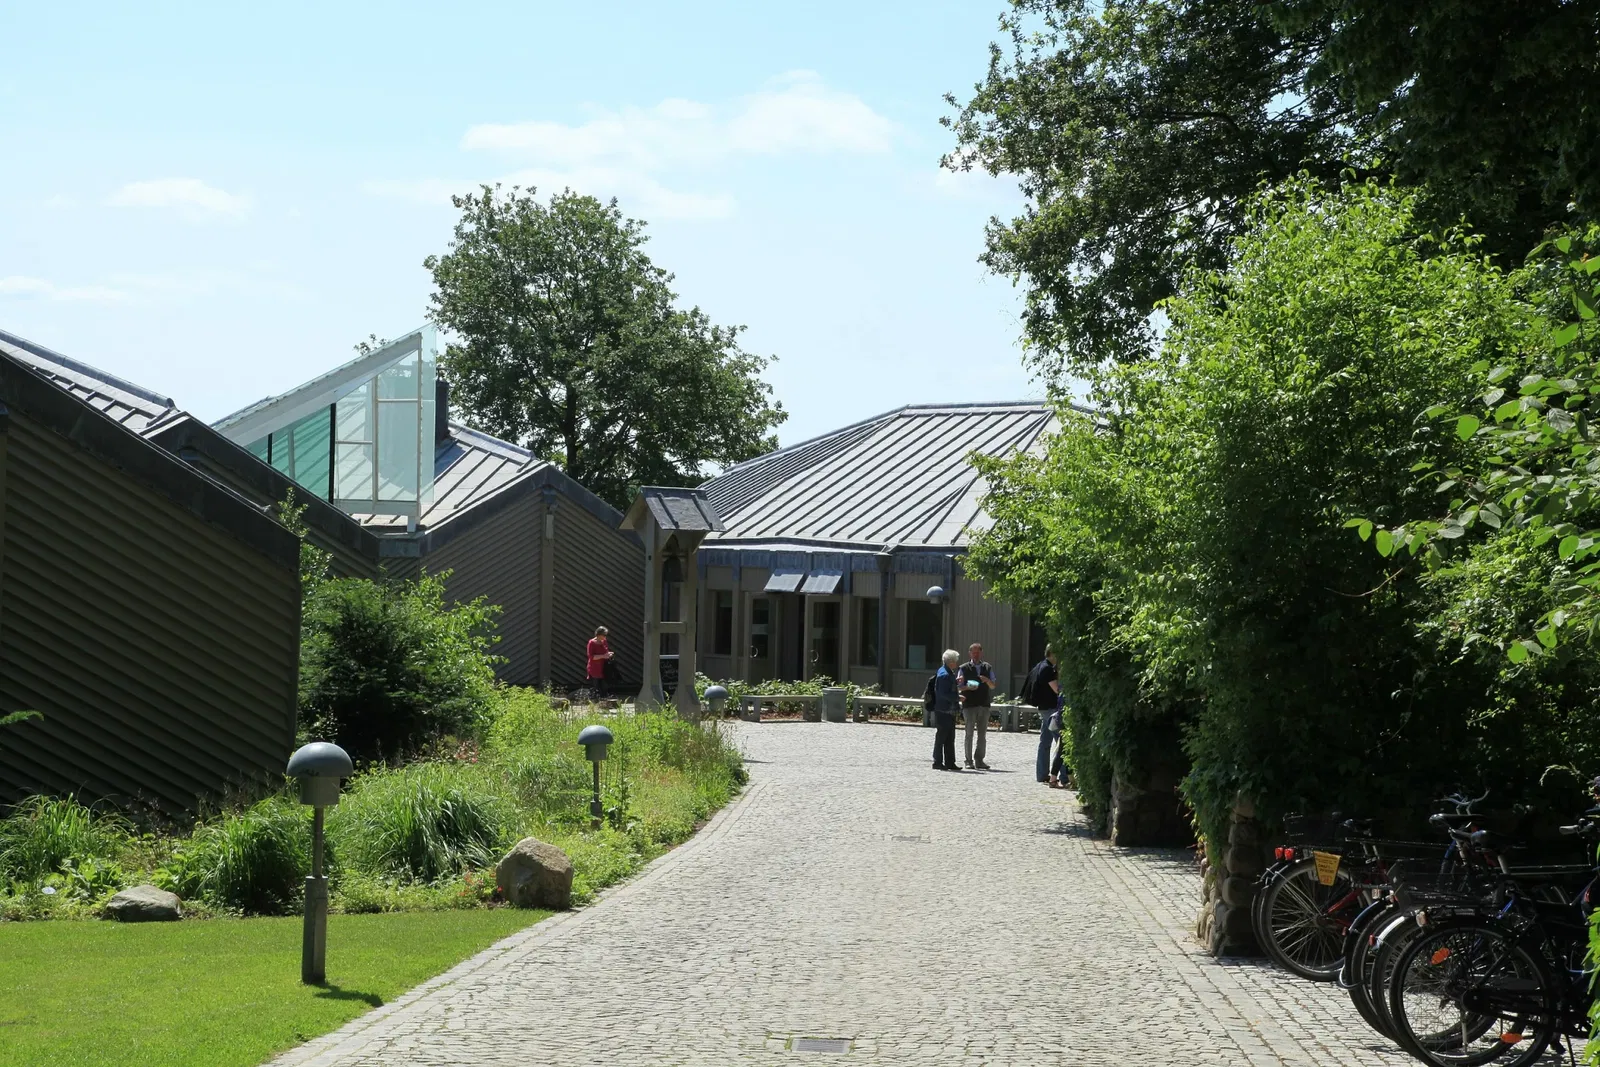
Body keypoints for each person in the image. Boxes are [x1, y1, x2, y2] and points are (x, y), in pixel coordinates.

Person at [958, 642, 997, 769]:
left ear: (981, 653)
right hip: (969, 704)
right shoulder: (963, 668)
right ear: (970, 653)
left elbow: (993, 686)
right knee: (969, 734)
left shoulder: (987, 667)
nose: (975, 655)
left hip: (984, 704)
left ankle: (979, 760)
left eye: (978, 652)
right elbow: (958, 686)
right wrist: (968, 687)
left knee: (982, 735)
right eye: (973, 652)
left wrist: (987, 680)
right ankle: (968, 761)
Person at [1031, 646, 1066, 786]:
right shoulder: (1047, 668)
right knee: (1061, 742)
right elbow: (1057, 690)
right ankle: (1063, 776)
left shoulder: (1041, 665)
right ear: (1052, 653)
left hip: (1044, 708)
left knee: (1045, 741)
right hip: (1050, 710)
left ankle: (1042, 774)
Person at [932, 649, 962, 771]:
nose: (957, 663)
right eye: (955, 661)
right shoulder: (944, 674)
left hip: (947, 710)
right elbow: (943, 693)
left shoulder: (945, 671)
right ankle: (937, 761)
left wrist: (955, 682)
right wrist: (958, 697)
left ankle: (950, 762)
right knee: (942, 737)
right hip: (944, 710)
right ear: (951, 662)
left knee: (950, 737)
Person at [586, 626, 614, 699]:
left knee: (604, 687)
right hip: (594, 668)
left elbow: (605, 651)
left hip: (604, 667)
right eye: (604, 635)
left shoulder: (604, 641)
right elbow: (591, 657)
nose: (605, 637)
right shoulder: (591, 642)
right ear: (598, 634)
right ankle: (594, 703)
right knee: (595, 687)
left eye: (606, 635)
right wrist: (603, 656)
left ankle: (603, 702)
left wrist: (609, 654)